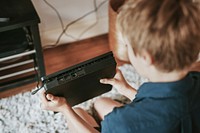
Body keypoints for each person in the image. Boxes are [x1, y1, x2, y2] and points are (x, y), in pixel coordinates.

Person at [40, 0, 200, 132]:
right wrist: (126, 89)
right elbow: (165, 106)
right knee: (101, 103)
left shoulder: (121, 122)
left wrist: (64, 109)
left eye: (128, 46)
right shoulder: (196, 79)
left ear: (146, 57)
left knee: (78, 113)